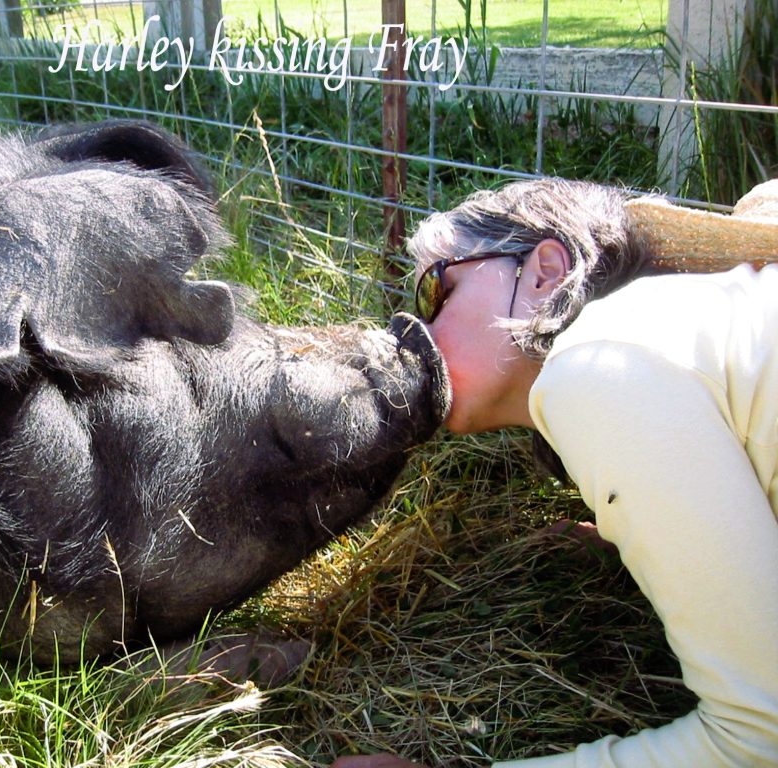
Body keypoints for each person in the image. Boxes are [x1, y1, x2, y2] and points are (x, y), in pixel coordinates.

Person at [333, 178, 778, 767]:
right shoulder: (664, 335)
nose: (420, 331)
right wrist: (638, 536)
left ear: (544, 272)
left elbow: (760, 735)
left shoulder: (601, 362)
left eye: (436, 290)